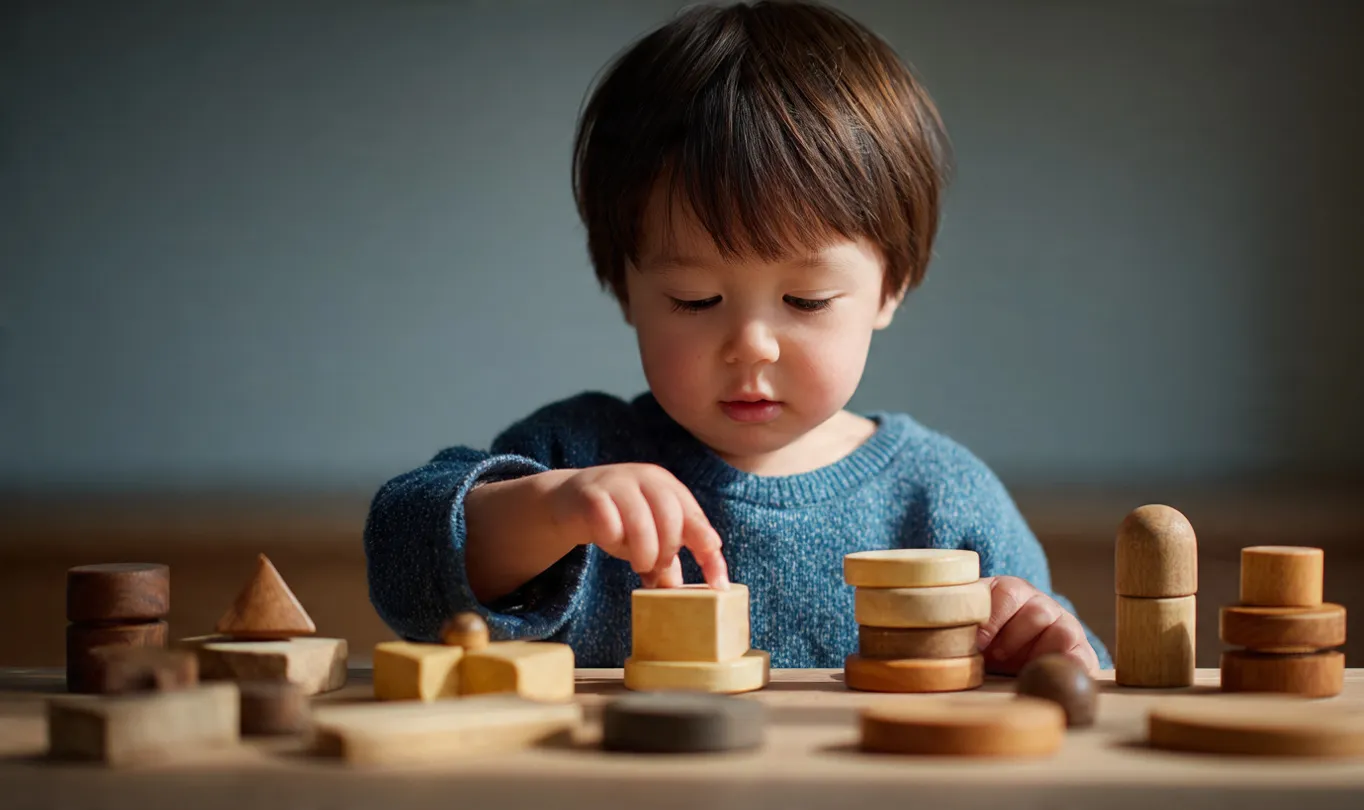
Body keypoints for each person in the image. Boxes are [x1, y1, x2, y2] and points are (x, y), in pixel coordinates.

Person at [364, 0, 1110, 674]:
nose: (751, 344)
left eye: (806, 299)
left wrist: (1041, 637)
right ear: (626, 287)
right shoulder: (579, 457)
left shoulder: (942, 499)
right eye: (695, 299)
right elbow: (405, 564)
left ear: (891, 287)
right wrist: (552, 508)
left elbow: (1073, 672)